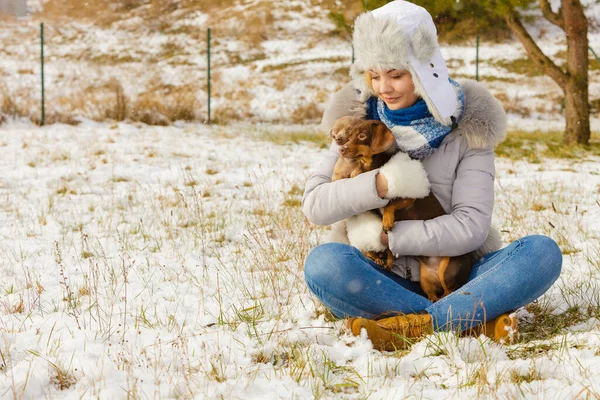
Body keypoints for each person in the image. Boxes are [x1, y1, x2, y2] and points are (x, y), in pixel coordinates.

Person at [302, 0, 562, 351]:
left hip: (460, 276)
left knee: (541, 253)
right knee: (324, 264)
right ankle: (469, 321)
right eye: (374, 75)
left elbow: (470, 226)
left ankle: (412, 325)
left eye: (396, 74)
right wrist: (380, 185)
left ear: (425, 70)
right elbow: (316, 206)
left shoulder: (467, 129)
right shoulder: (357, 123)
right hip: (379, 277)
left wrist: (387, 238)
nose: (384, 87)